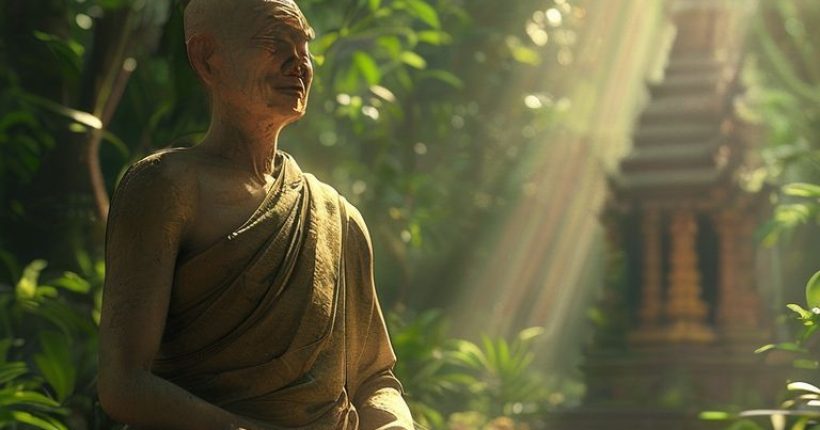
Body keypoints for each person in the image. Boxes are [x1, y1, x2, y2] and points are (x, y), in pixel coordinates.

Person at [96, 0, 414, 428]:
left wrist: (395, 424)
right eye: (274, 42)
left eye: (304, 46)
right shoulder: (166, 187)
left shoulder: (338, 216)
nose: (298, 63)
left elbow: (375, 378)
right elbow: (124, 384)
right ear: (208, 58)